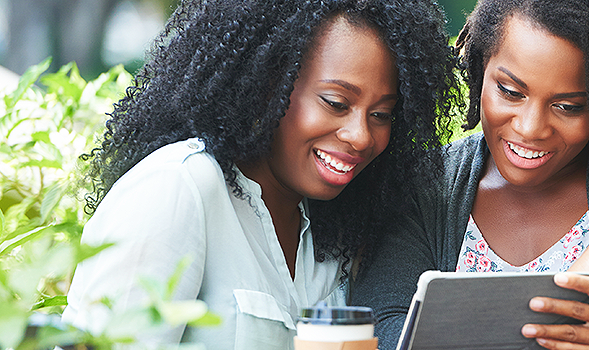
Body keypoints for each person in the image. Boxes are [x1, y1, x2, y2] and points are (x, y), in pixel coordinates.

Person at [62, 0, 458, 348]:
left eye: (381, 115)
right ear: (269, 84)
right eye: (336, 102)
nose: (360, 136)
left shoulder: (338, 227)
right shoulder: (179, 189)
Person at [352, 0, 589, 349]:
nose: (531, 128)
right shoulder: (428, 184)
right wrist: (563, 300)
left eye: (568, 107)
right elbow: (380, 334)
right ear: (479, 67)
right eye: (510, 91)